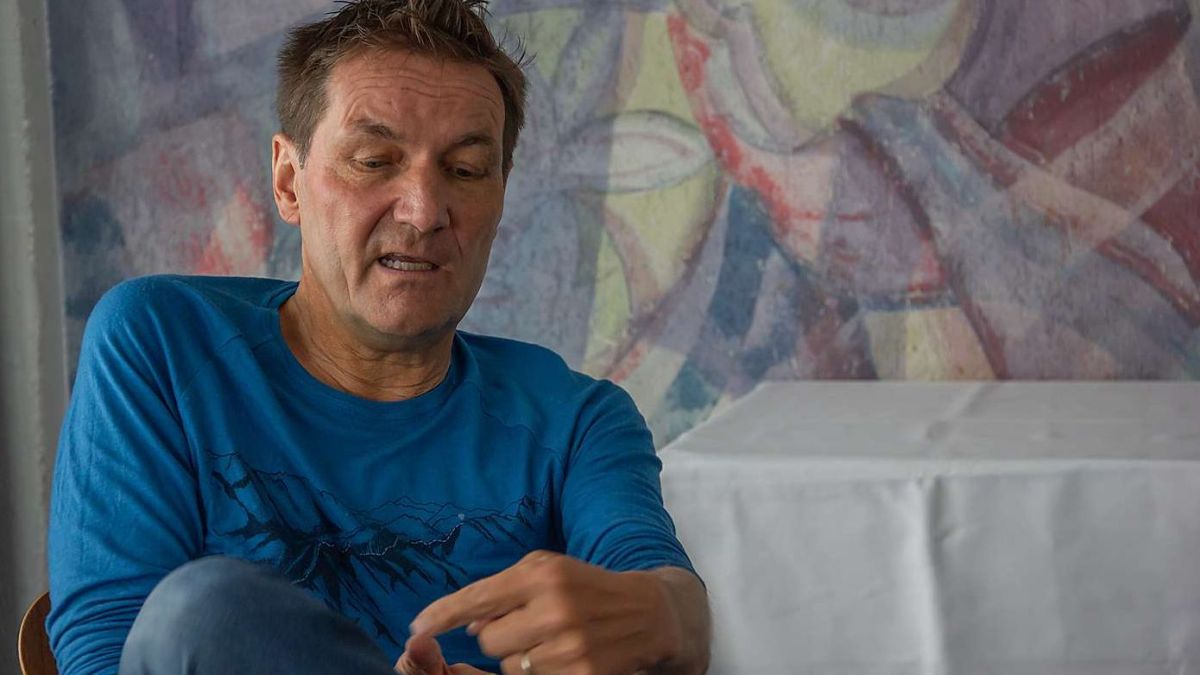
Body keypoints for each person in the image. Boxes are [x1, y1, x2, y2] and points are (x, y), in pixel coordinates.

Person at [45, 1, 711, 673]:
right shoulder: (161, 344)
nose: (423, 211)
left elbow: (671, 608)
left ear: (501, 194)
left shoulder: (578, 420)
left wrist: (661, 609)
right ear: (288, 181)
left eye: (465, 170)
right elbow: (107, 650)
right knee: (203, 611)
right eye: (373, 161)